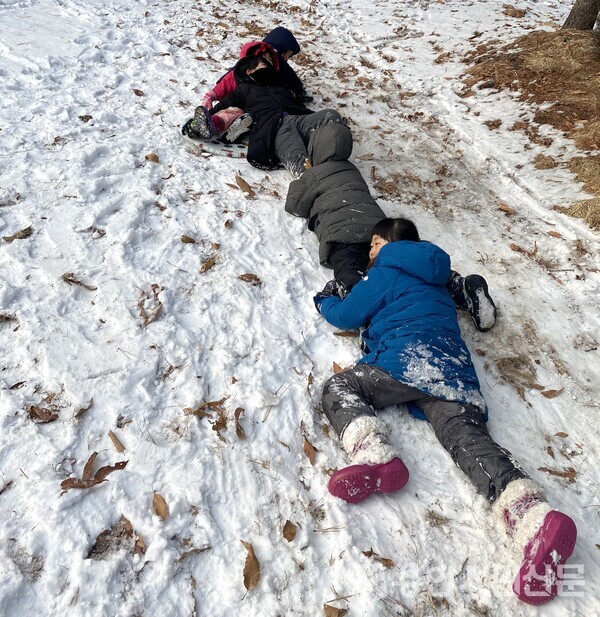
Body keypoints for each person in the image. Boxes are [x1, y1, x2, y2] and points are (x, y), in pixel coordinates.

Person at [313, 217, 577, 605]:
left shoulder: (385, 270)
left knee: (341, 386)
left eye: (373, 244)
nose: (370, 251)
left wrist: (327, 297)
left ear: (388, 243)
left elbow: (346, 316)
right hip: (452, 369)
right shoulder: (438, 276)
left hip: (406, 360)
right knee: (466, 440)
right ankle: (532, 515)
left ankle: (374, 455)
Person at [286, 123, 496, 330]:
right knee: (406, 265)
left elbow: (295, 205)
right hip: (377, 228)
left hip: (343, 234)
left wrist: (304, 177)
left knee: (351, 268)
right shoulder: (352, 169)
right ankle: (459, 286)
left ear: (316, 149)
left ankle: (356, 295)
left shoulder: (314, 173)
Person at [189, 55, 343, 176]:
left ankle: (323, 147)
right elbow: (224, 103)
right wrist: (208, 115)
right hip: (277, 128)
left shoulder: (280, 87)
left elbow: (298, 105)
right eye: (263, 66)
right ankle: (314, 181)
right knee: (298, 160)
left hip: (297, 119)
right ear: (250, 71)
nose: (267, 68)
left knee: (331, 115)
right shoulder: (245, 89)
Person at [182, 28, 311, 143]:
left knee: (254, 116)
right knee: (230, 114)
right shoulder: (237, 76)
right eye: (263, 62)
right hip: (239, 105)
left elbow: (282, 93)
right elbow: (225, 84)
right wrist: (210, 98)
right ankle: (207, 125)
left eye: (269, 62)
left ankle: (240, 126)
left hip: (260, 110)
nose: (267, 65)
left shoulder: (272, 77)